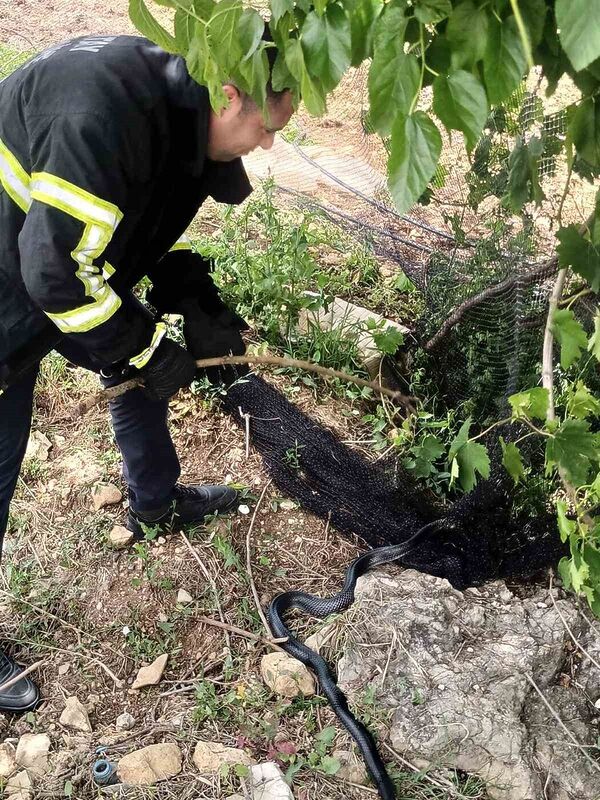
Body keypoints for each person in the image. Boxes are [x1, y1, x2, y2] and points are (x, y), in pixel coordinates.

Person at [0, 33, 294, 713]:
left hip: (47, 258)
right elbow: (52, 273)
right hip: (15, 280)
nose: (270, 145)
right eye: (267, 127)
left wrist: (181, 282)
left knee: (135, 361)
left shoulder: (176, 98)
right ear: (228, 96)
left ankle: (155, 502)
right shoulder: (102, 117)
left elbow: (130, 207)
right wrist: (141, 343)